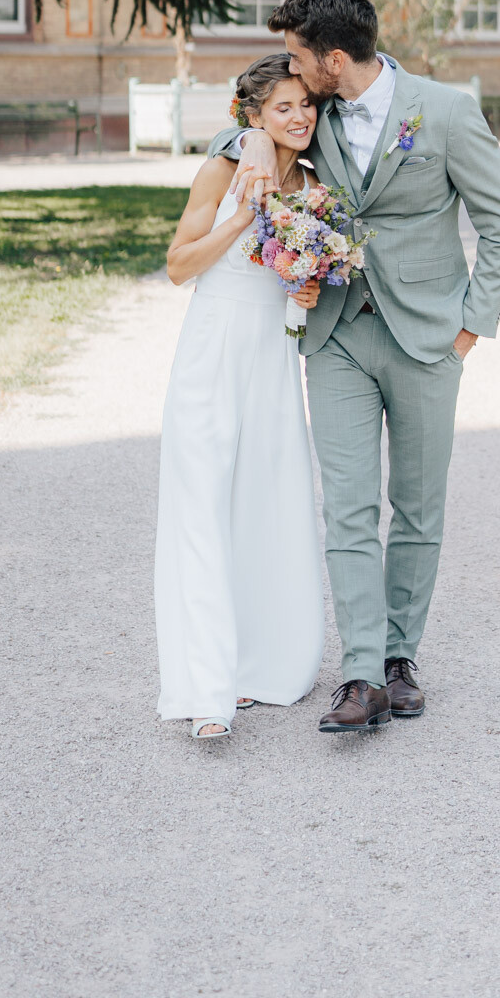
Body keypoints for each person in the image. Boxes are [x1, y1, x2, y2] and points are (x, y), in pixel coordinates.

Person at [209, 0, 500, 734]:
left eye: (297, 55)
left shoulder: (445, 111)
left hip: (427, 339)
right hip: (340, 337)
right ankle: (359, 675)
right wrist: (251, 136)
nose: (291, 71)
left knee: (417, 509)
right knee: (347, 507)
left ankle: (398, 660)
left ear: (334, 56)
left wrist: (470, 329)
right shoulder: (309, 113)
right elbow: (252, 127)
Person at [155, 54, 325, 740]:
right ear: (254, 116)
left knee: (265, 504)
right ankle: (205, 691)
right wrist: (240, 221)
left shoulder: (314, 185)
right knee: (200, 508)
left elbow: (293, 271)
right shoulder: (224, 170)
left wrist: (305, 284)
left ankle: (258, 663)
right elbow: (177, 266)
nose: (300, 116)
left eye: (307, 104)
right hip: (212, 350)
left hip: (273, 358)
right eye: (283, 107)